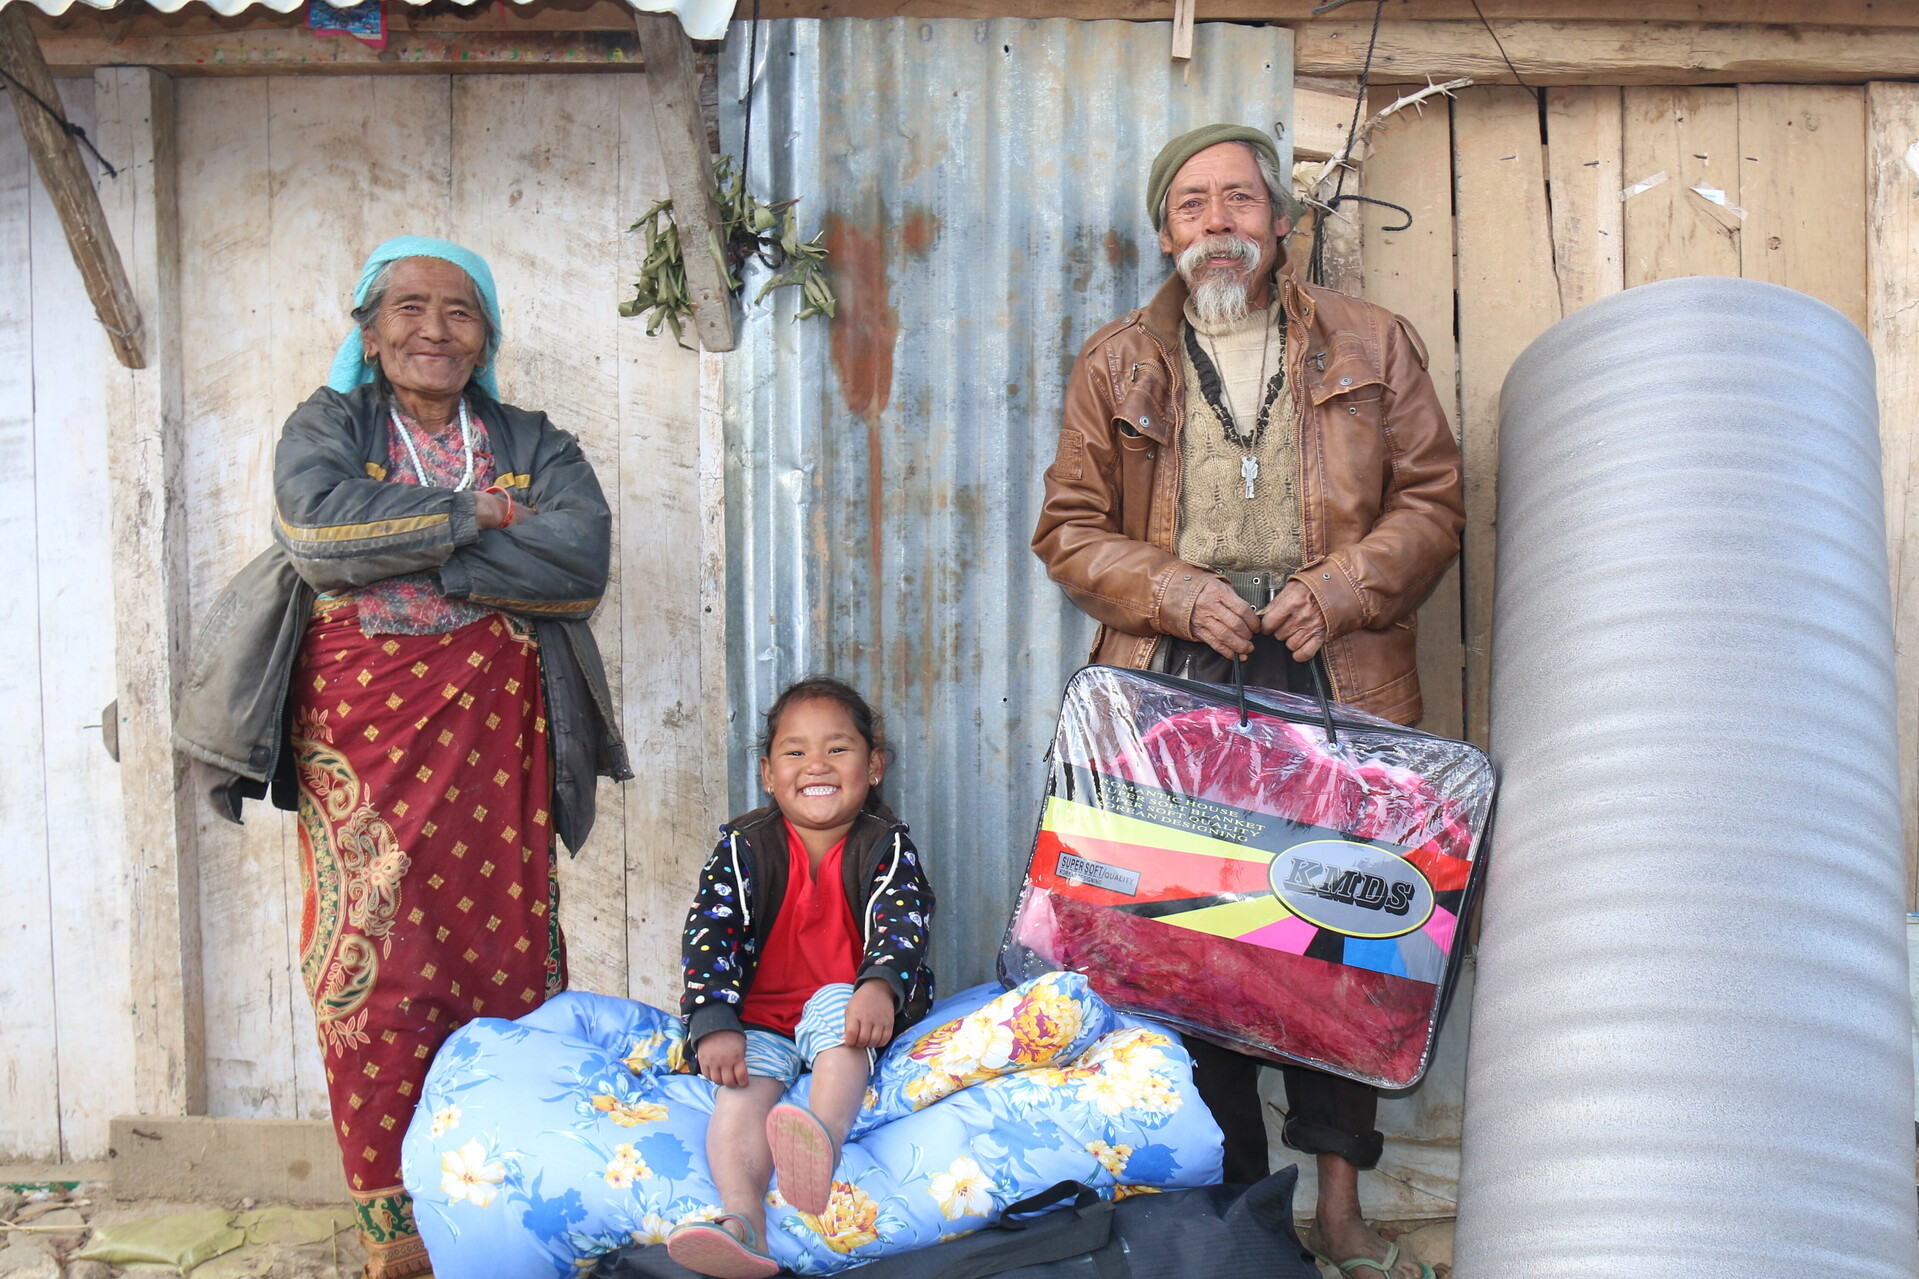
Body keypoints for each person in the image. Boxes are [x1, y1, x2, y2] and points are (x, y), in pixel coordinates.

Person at [1031, 125, 1464, 1279]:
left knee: (1343, 940)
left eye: (1236, 199)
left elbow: (1431, 504)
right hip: (1179, 679)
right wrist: (1173, 590)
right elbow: (1068, 529)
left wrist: (1342, 586)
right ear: (1163, 232)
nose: (1215, 221)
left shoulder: (1373, 343)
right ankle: (1232, 1206)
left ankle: (1336, 1208)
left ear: (1277, 222)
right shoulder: (1113, 362)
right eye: (1190, 205)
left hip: (1334, 664)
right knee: (1192, 944)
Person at [176, 235, 630, 1279]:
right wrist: (474, 515)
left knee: (507, 962)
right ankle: (402, 1233)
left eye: (459, 311)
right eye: (410, 308)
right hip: (361, 729)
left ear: (487, 336)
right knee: (370, 961)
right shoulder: (327, 426)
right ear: (370, 331)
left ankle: (503, 1190)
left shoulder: (531, 437)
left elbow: (577, 558)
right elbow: (317, 533)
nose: (434, 328)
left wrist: (417, 547)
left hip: (494, 741)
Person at [666, 677, 935, 1279]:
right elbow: (709, 936)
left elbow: (903, 921)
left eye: (838, 749)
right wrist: (712, 1021)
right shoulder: (743, 848)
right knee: (739, 1097)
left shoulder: (885, 846)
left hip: (847, 1000)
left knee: (843, 1039)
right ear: (767, 773)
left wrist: (881, 984)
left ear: (874, 766)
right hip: (761, 1011)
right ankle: (742, 1222)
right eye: (795, 751)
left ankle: (820, 1139)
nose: (817, 764)